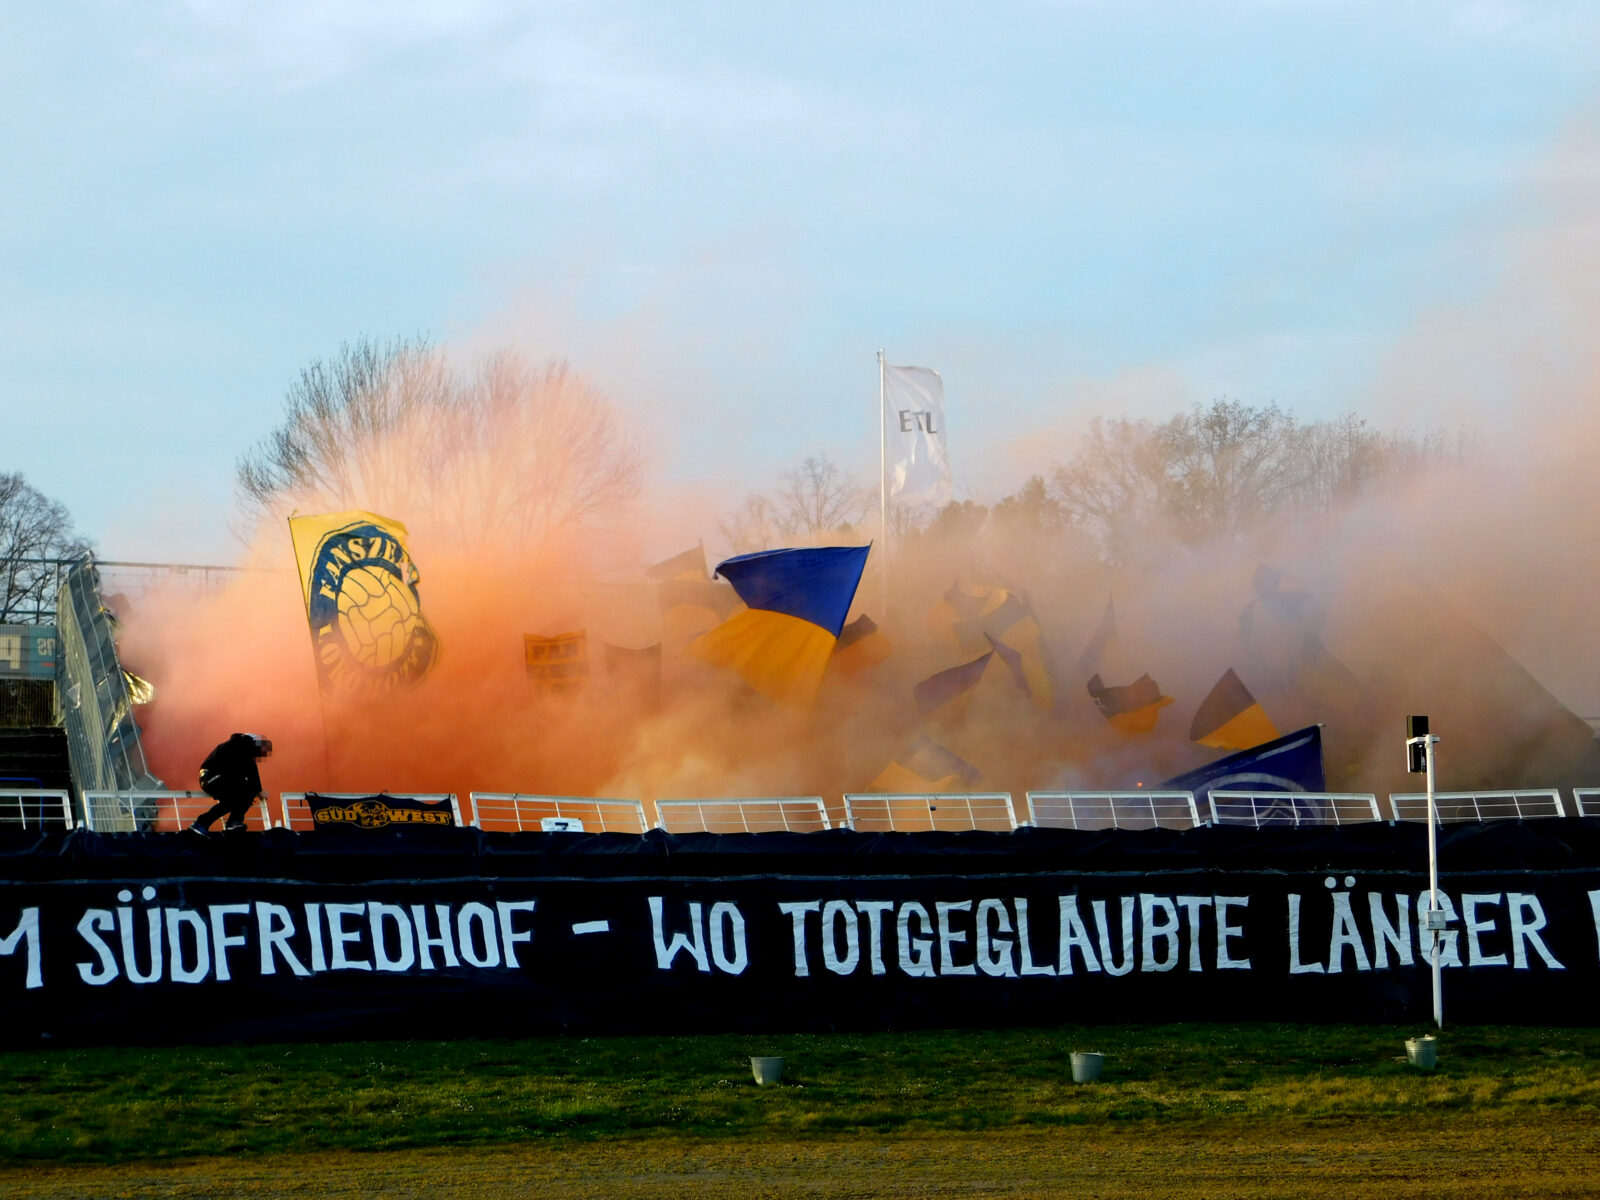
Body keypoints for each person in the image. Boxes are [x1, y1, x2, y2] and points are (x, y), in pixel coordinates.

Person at [189, 732, 271, 834]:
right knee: (247, 790)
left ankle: (202, 824)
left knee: (232, 801)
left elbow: (241, 770)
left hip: (211, 780)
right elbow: (251, 769)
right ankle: (232, 822)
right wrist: (259, 790)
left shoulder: (233, 747)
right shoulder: (244, 746)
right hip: (215, 778)